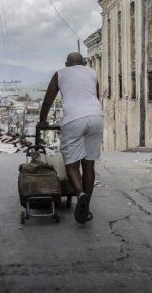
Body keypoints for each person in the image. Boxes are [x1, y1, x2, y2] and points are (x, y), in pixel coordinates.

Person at [38, 52, 103, 224]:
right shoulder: (92, 73)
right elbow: (97, 96)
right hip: (96, 117)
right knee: (89, 164)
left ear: (67, 64)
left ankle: (79, 193)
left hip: (73, 119)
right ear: (83, 63)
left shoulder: (60, 73)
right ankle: (86, 207)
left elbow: (48, 100)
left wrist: (42, 120)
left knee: (71, 164)